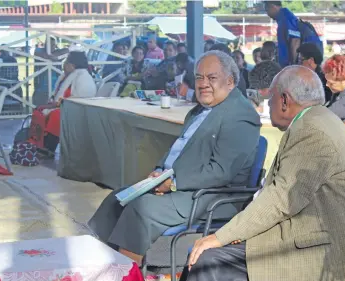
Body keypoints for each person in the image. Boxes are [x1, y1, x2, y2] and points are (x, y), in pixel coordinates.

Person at [185, 65, 345, 281]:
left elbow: (280, 200)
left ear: (284, 100)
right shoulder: (315, 120)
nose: (268, 104)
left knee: (207, 261)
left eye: (271, 98)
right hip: (312, 235)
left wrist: (221, 236)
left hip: (325, 254)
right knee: (210, 255)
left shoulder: (313, 131)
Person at [88, 50, 261, 265]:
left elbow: (221, 172)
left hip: (210, 196)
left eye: (211, 78)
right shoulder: (201, 110)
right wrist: (160, 172)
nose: (203, 83)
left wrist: (174, 183)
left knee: (141, 209)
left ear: (230, 81)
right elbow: (177, 150)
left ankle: (126, 274)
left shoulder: (240, 115)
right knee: (117, 199)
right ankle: (108, 266)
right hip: (181, 187)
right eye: (199, 77)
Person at [41, 51, 96, 152]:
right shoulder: (67, 76)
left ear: (73, 64)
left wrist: (58, 104)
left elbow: (80, 98)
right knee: (41, 111)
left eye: (67, 61)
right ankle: (38, 143)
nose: (64, 63)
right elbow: (57, 94)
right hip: (64, 105)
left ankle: (48, 148)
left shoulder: (83, 77)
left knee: (56, 115)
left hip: (76, 109)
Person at [265, 1, 322, 67]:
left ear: (272, 6)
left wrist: (293, 66)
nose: (267, 13)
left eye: (267, 10)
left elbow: (295, 40)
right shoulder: (283, 18)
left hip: (304, 64)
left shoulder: (285, 18)